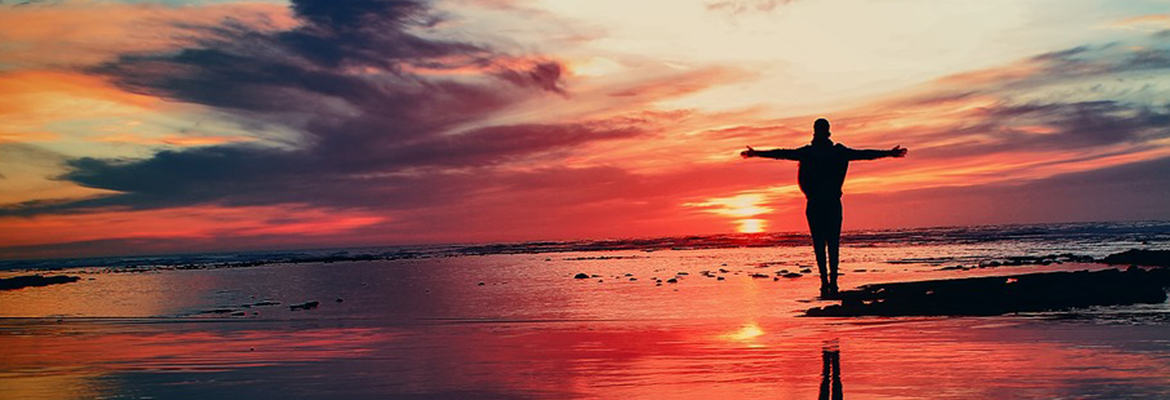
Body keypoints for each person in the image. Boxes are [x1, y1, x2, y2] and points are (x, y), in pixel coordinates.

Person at [741, 118, 906, 297]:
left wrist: (756, 153)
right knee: (830, 243)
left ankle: (827, 282)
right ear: (828, 132)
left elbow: (783, 153)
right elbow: (864, 154)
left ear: (816, 132)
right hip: (828, 204)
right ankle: (830, 282)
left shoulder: (815, 152)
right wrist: (889, 153)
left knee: (822, 244)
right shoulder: (832, 152)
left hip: (819, 204)